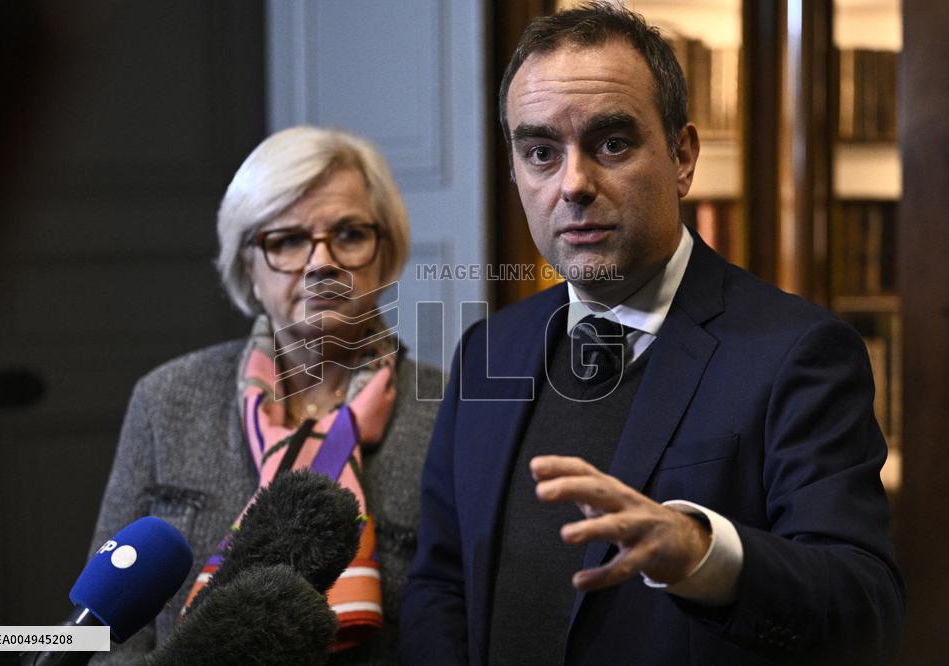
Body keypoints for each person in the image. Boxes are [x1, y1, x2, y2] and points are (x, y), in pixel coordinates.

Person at [400, 3, 904, 664]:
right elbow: (439, 581)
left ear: (682, 157)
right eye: (541, 152)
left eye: (612, 143)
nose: (574, 184)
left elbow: (866, 607)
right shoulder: (489, 351)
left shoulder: (799, 354)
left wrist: (705, 553)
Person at [90, 126, 444, 664]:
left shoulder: (451, 410)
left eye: (348, 234)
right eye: (287, 240)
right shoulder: (167, 400)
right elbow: (101, 629)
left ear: (384, 255)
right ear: (247, 267)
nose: (321, 263)